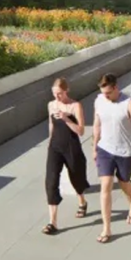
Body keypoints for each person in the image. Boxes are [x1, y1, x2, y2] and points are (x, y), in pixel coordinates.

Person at [91, 72, 131, 244]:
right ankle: (106, 228)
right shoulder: (99, 100)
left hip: (125, 152)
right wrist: (94, 148)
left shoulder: (129, 104)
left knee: (125, 184)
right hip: (105, 149)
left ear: (116, 87)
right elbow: (97, 124)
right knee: (105, 186)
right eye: (103, 93)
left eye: (108, 93)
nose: (105, 96)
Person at [42, 77, 89, 236]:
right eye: (55, 94)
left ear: (66, 90)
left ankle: (82, 201)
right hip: (55, 147)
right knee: (50, 182)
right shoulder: (51, 105)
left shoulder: (75, 106)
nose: (57, 97)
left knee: (77, 177)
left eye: (60, 94)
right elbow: (50, 124)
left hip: (71, 146)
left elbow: (81, 131)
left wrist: (66, 118)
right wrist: (50, 143)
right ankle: (52, 222)